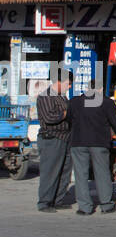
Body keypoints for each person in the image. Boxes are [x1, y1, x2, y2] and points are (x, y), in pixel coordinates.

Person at [67, 86, 116, 215]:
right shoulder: (106, 102)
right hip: (99, 142)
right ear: (100, 89)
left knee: (80, 175)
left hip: (78, 142)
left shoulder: (74, 102)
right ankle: (106, 205)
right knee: (102, 173)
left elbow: (69, 121)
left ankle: (84, 207)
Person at [36, 74, 73, 212]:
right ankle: (45, 202)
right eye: (67, 84)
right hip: (52, 138)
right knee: (50, 171)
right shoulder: (46, 96)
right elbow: (50, 117)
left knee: (64, 171)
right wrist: (66, 113)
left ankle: (58, 200)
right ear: (58, 82)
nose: (69, 87)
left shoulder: (62, 96)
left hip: (66, 137)